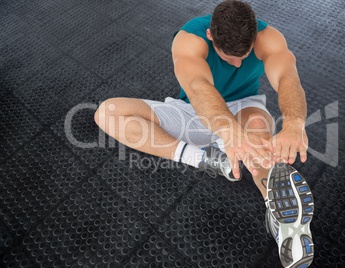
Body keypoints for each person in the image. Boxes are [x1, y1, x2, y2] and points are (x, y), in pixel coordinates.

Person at [94, 0, 314, 267]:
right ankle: (203, 159)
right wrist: (229, 133)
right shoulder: (189, 39)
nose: (236, 64)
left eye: (242, 57)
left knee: (257, 131)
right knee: (107, 112)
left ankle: (285, 223)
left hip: (244, 107)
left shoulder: (268, 38)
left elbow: (288, 78)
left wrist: (293, 123)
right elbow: (198, 88)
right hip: (194, 111)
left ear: (254, 36)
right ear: (210, 36)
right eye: (227, 57)